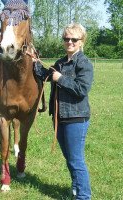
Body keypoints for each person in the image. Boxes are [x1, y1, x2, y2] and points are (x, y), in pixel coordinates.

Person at [34, 23, 93, 200]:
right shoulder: (60, 63)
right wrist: (34, 63)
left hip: (76, 118)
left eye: (74, 39)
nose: (69, 42)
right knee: (69, 158)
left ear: (81, 42)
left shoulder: (84, 64)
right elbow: (46, 75)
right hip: (59, 117)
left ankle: (84, 196)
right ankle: (76, 189)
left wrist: (61, 79)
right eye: (66, 39)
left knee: (76, 160)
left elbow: (81, 89)